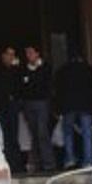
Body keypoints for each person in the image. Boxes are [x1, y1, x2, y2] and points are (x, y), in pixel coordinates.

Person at [54, 50, 92, 168]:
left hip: (68, 106)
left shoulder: (62, 70)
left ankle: (70, 158)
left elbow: (58, 91)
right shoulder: (87, 69)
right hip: (85, 105)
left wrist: (57, 109)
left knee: (68, 133)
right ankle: (88, 160)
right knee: (87, 132)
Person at [0, 45, 24, 174]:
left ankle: (16, 166)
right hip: (0, 108)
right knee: (1, 137)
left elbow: (21, 88)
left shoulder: (16, 71)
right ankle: (2, 164)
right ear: (3, 56)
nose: (11, 57)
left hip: (13, 107)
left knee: (14, 136)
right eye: (9, 54)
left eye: (13, 54)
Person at [17, 43, 55, 172]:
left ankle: (49, 163)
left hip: (42, 102)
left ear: (37, 54)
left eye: (31, 52)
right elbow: (22, 86)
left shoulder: (45, 67)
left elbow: (46, 84)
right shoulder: (24, 69)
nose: (29, 55)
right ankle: (37, 163)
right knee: (34, 134)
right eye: (27, 53)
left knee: (42, 132)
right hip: (28, 104)